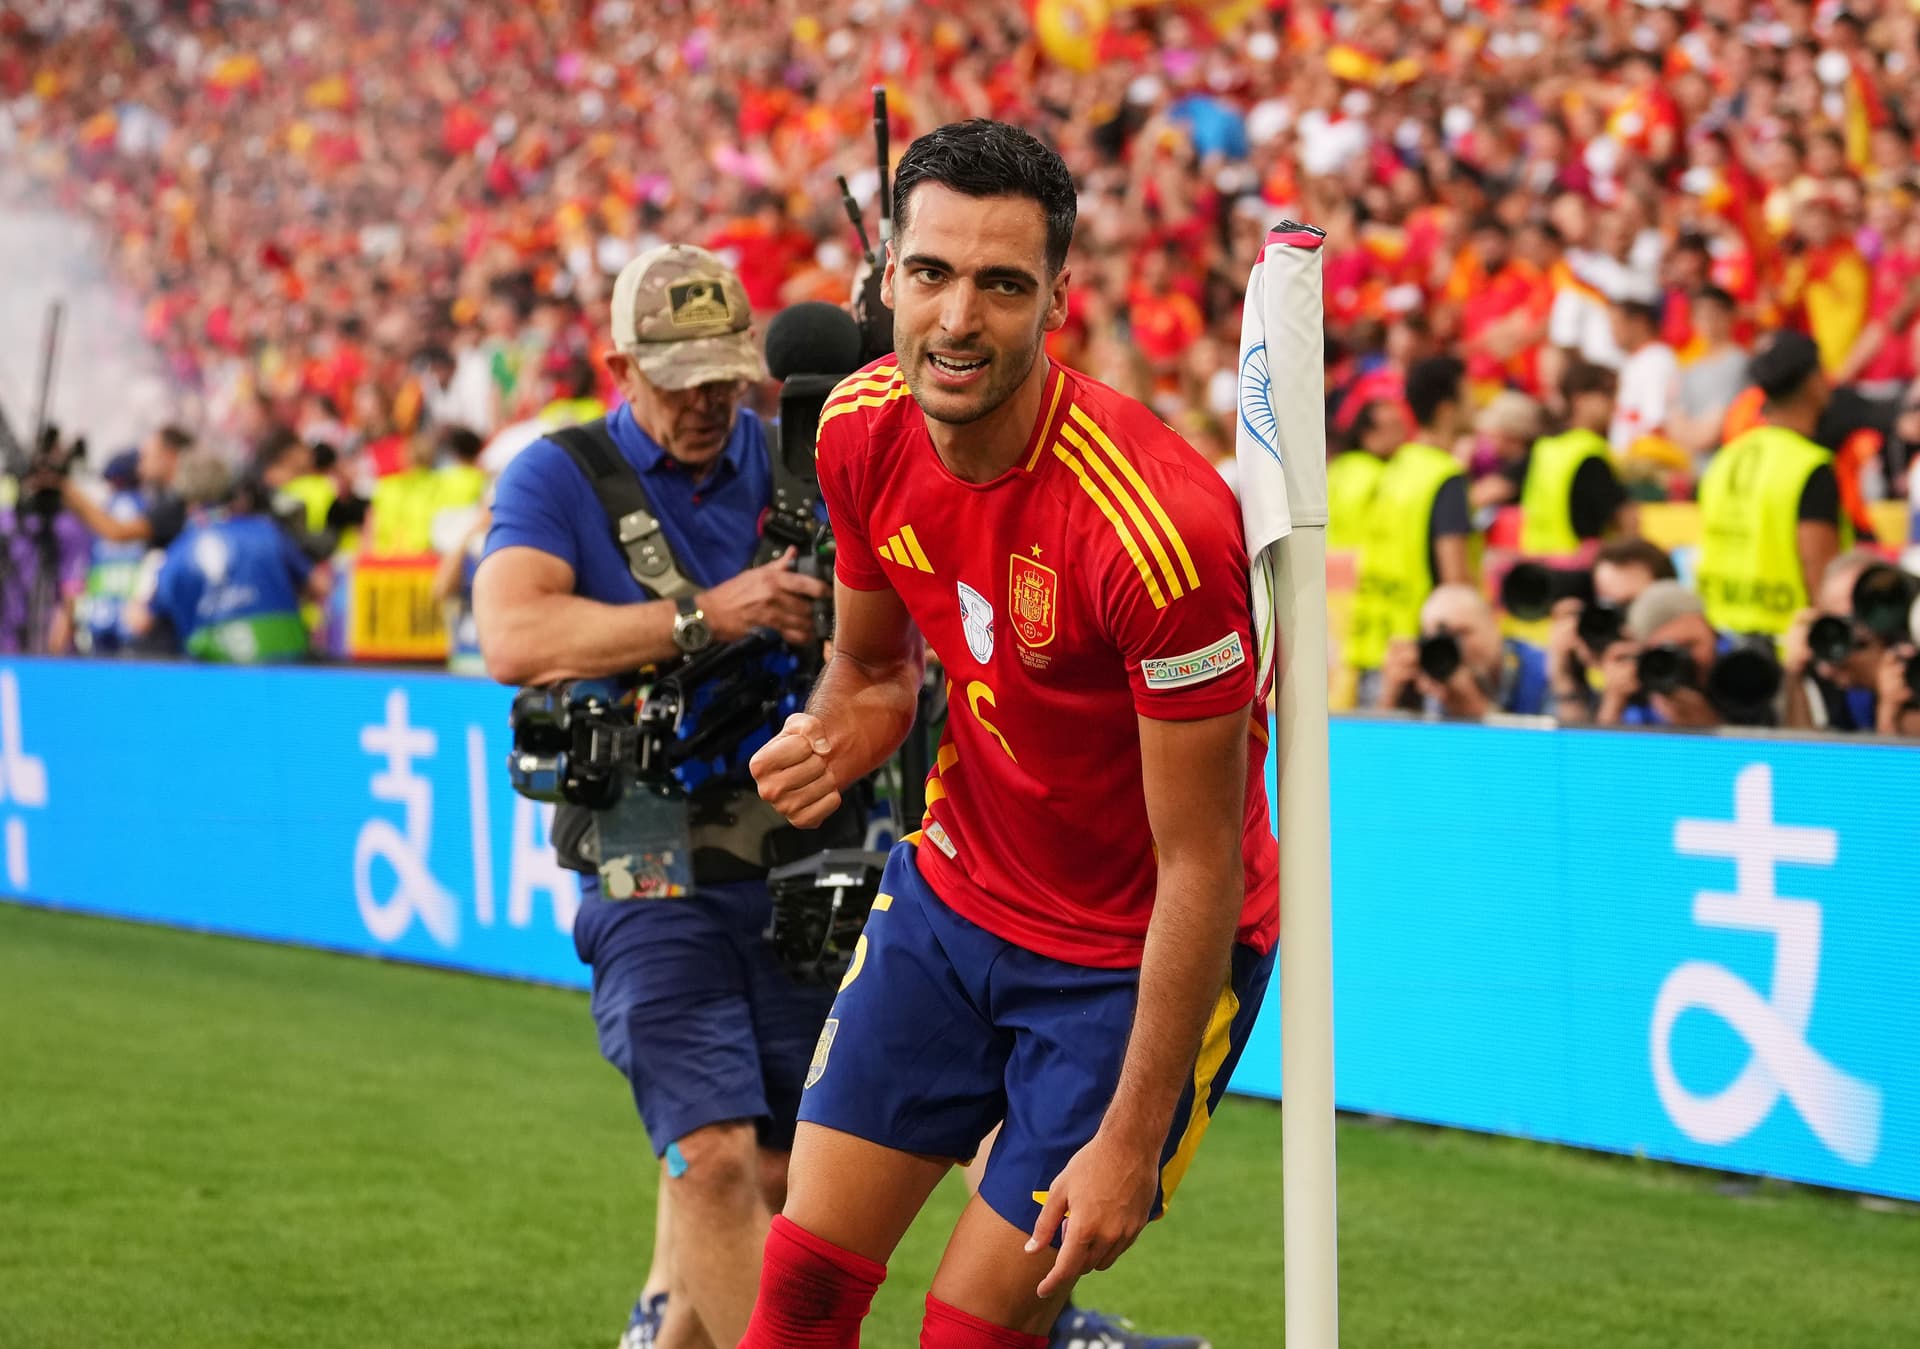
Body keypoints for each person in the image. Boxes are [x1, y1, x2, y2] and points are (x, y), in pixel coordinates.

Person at [743, 118, 1275, 1349]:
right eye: (930, 274)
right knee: (804, 1292)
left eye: (1002, 283)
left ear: (1058, 299)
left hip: (1129, 957)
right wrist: (830, 733)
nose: (958, 318)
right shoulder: (857, 431)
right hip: (956, 899)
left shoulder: (1160, 533)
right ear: (887, 274)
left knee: (970, 1336)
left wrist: (1132, 1138)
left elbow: (1200, 863)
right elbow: (873, 669)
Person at [474, 243, 841, 1349]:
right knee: (716, 1153)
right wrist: (706, 616)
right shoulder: (559, 474)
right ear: (619, 364)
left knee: (777, 1162)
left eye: (726, 377)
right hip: (639, 840)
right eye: (679, 381)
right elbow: (512, 634)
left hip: (789, 840)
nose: (706, 403)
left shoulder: (792, 464)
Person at [1696, 331, 1848, 639]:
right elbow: (1820, 575)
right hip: (1787, 642)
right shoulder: (1807, 466)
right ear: (1813, 382)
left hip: (1723, 635)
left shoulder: (1726, 458)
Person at [1348, 354, 1475, 704]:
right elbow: (1455, 580)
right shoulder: (1445, 477)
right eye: (1469, 396)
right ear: (1447, 409)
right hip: (1423, 659)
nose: (1476, 405)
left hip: (1375, 643)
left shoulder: (1394, 468)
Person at [137, 454, 318, 663]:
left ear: (183, 493)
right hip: (289, 671)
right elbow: (319, 586)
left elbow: (141, 621)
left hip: (218, 680)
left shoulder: (177, 553)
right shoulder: (266, 531)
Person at [59, 425, 191, 655]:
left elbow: (117, 532)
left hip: (162, 628)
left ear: (169, 457)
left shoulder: (177, 505)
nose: (140, 466)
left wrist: (67, 491)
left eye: (147, 456)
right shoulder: (165, 501)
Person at [1376, 584, 1550, 719]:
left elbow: (1551, 755)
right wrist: (1391, 698)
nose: (1453, 650)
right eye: (1438, 642)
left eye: (1460, 634)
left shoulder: (1544, 669)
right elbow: (1379, 756)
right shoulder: (1427, 670)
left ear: (1493, 623)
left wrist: (1475, 710)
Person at [1516, 362, 1631, 556]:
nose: (1614, 404)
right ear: (1580, 399)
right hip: (1576, 568)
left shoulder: (1544, 447)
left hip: (1536, 562)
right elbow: (1625, 520)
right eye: (1607, 394)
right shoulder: (1590, 450)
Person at [1326, 398, 1406, 554]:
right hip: (1362, 568)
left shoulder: (1338, 467)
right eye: (1392, 427)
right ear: (1367, 434)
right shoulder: (1378, 475)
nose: (1401, 434)